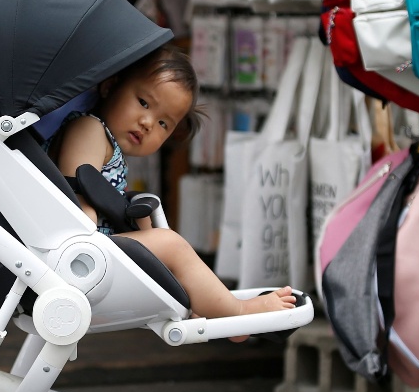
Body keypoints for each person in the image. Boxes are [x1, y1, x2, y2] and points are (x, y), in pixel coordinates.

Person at [52, 45, 297, 325]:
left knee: (157, 235)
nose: (147, 123)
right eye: (143, 102)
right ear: (110, 86)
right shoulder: (89, 128)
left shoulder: (104, 139)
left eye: (163, 123)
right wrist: (88, 225)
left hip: (94, 248)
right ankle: (237, 313)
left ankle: (205, 303)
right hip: (81, 248)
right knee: (171, 245)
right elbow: (77, 185)